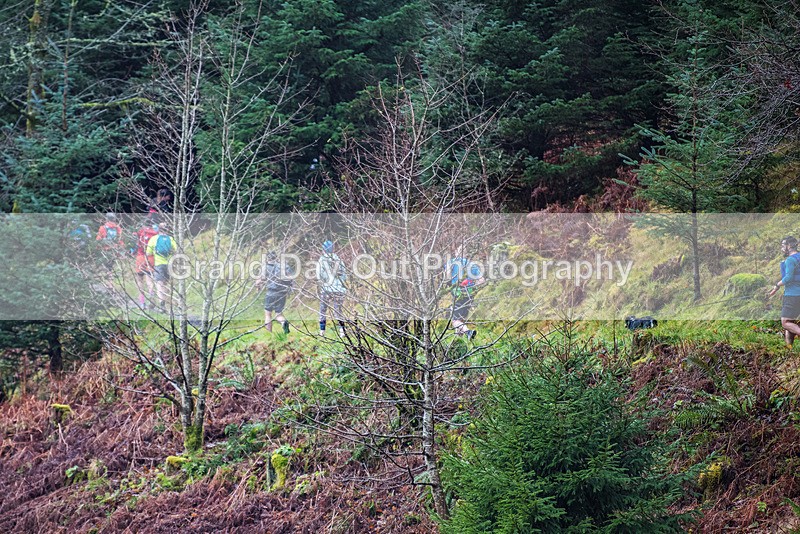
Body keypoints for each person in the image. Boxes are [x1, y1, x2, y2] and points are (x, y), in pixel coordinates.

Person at [768, 236, 800, 348]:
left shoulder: (790, 260)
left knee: (785, 322)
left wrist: (776, 286)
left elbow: (788, 278)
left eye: (783, 245)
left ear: (789, 246)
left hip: (793, 296)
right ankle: (789, 350)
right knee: (790, 324)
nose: (782, 248)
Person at [447, 251, 485, 340]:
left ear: (456, 252)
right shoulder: (471, 264)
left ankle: (469, 332)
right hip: (470, 295)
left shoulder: (451, 263)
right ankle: (458, 342)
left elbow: (447, 276)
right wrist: (472, 285)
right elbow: (482, 280)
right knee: (461, 319)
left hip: (458, 294)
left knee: (455, 321)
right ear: (466, 254)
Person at [258, 251, 294, 333]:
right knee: (279, 314)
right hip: (282, 293)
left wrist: (257, 284)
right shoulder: (283, 266)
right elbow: (291, 278)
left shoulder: (266, 267)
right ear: (276, 257)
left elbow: (260, 280)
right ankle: (283, 322)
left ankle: (269, 334)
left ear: (268, 258)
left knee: (268, 314)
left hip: (271, 292)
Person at [317, 240, 347, 336]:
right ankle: (342, 331)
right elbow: (344, 276)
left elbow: (319, 276)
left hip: (326, 289)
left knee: (323, 310)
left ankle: (322, 331)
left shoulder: (321, 261)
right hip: (339, 290)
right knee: (338, 310)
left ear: (323, 250)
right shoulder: (339, 260)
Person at [145, 221, 177, 311]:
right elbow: (176, 250)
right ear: (168, 230)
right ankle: (167, 303)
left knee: (159, 284)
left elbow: (148, 253)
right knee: (166, 284)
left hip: (159, 264)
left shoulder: (154, 239)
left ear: (158, 229)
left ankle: (161, 305)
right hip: (169, 264)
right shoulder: (171, 239)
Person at [134, 217, 159, 309]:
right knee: (150, 279)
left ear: (143, 224)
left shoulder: (140, 232)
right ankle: (152, 296)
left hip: (140, 257)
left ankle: (142, 303)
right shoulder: (155, 234)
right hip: (151, 258)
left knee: (140, 280)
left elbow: (135, 244)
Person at [96, 213, 124, 286]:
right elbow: (120, 240)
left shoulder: (103, 228)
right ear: (114, 219)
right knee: (111, 267)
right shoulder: (118, 228)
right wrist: (121, 249)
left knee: (107, 268)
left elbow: (99, 239)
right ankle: (111, 284)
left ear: (106, 218)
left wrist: (98, 248)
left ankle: (110, 285)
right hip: (114, 250)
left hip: (106, 250)